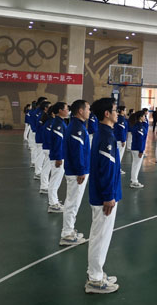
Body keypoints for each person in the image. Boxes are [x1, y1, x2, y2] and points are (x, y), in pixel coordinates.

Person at [86, 97, 121, 294]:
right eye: (115, 110)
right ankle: (95, 280)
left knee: (99, 236)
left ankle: (96, 272)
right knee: (100, 237)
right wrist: (109, 196)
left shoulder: (104, 133)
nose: (118, 113)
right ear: (107, 114)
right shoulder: (106, 137)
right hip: (104, 197)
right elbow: (106, 170)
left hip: (103, 194)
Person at [60, 99, 90, 246]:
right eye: (88, 109)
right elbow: (77, 152)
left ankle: (69, 229)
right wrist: (80, 170)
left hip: (76, 170)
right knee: (72, 203)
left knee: (73, 202)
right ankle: (67, 234)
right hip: (76, 172)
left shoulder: (77, 125)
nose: (89, 112)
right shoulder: (77, 128)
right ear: (80, 111)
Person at [48, 102, 69, 213]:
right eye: (66, 109)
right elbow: (58, 142)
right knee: (55, 181)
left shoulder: (60, 122)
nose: (68, 111)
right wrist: (59, 158)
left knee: (56, 180)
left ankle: (54, 200)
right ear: (60, 110)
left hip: (60, 155)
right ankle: (53, 204)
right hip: (58, 156)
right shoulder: (58, 124)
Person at [129, 111, 147, 188]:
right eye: (144, 116)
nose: (145, 117)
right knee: (136, 165)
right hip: (137, 149)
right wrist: (141, 150)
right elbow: (140, 140)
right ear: (140, 117)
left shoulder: (137, 125)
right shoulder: (140, 127)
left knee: (135, 165)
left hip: (135, 148)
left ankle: (133, 180)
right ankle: (134, 181)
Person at [114, 106, 128, 175]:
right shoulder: (121, 119)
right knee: (119, 155)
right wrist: (123, 140)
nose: (126, 111)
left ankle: (117, 168)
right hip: (120, 140)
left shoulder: (118, 118)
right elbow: (121, 130)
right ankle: (117, 169)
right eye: (125, 110)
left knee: (117, 155)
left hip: (117, 138)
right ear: (122, 111)